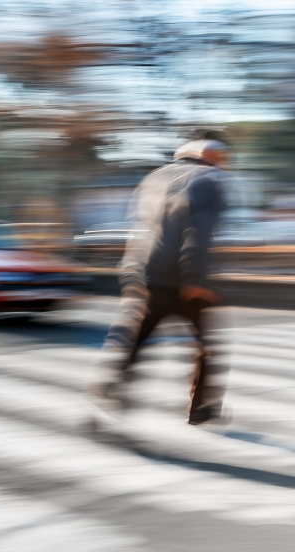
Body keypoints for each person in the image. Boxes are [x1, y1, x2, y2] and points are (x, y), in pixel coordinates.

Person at [90, 137, 229, 425]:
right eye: (221, 160)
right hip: (182, 280)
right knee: (206, 346)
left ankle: (109, 391)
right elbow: (198, 232)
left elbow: (142, 227)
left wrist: (132, 272)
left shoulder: (155, 177)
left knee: (135, 340)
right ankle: (200, 408)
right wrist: (195, 278)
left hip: (147, 276)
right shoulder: (208, 181)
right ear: (211, 159)